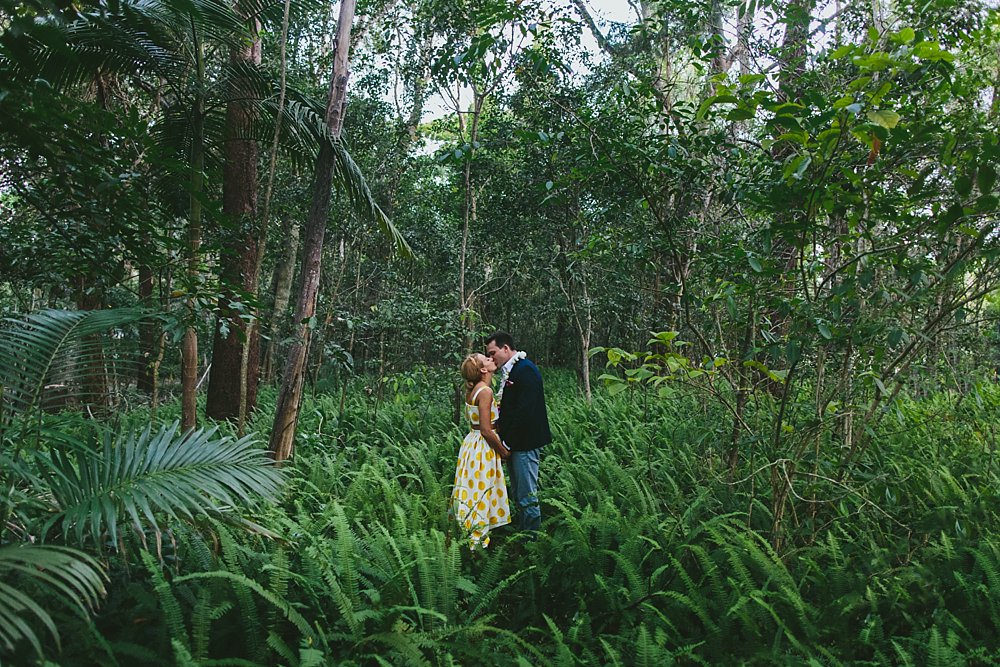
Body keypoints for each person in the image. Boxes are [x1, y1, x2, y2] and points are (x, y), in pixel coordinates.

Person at [485, 331, 551, 533]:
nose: (491, 357)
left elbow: (525, 412)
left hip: (525, 443)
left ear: (506, 348)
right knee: (518, 493)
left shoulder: (525, 370)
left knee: (527, 496)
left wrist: (506, 444)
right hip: (514, 443)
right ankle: (524, 534)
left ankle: (532, 542)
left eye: (493, 352)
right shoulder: (511, 371)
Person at [450, 353, 511, 549]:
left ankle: (467, 535)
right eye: (486, 359)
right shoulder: (484, 392)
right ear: (483, 370)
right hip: (482, 446)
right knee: (481, 491)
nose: (491, 358)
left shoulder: (474, 390)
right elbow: (486, 429)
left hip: (471, 443)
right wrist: (503, 451)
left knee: (472, 489)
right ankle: (476, 543)